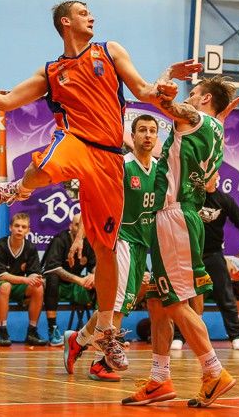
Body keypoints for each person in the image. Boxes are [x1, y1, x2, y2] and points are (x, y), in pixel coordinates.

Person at [0, 0, 201, 371]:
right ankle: (19, 189)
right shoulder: (52, 72)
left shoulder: (110, 51)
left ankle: (107, 332)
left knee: (106, 249)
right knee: (46, 164)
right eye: (83, 12)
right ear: (65, 21)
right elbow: (7, 101)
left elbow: (146, 91)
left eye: (90, 12)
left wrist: (166, 78)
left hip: (109, 157)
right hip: (76, 140)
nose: (91, 16)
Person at [122, 75, 239, 408]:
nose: (188, 98)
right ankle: (160, 378)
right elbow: (210, 177)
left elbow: (165, 104)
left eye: (193, 93)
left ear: (205, 100)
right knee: (158, 302)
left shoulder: (195, 117)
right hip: (179, 217)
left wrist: (164, 80)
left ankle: (214, 371)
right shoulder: (216, 130)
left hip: (174, 216)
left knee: (175, 303)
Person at [63, 114, 159, 382]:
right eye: (142, 130)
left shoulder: (160, 169)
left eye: (152, 131)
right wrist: (80, 237)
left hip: (142, 244)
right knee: (116, 306)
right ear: (133, 135)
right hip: (120, 239)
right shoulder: (122, 166)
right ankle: (100, 363)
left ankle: (78, 340)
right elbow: (96, 201)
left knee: (120, 305)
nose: (148, 135)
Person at [198, 172, 239, 350]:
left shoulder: (224, 200)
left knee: (225, 296)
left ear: (216, 177)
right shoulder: (191, 199)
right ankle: (179, 337)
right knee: (188, 298)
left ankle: (236, 336)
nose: (206, 178)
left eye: (209, 175)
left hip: (213, 254)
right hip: (192, 255)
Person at [0, 212, 46, 346]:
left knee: (38, 287)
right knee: (5, 286)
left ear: (28, 230)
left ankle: (32, 332)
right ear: (10, 228)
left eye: (23, 227)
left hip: (19, 287)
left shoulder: (30, 248)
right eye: (17, 226)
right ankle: (2, 331)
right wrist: (25, 280)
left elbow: (34, 273)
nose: (20, 229)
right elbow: (1, 275)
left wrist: (35, 278)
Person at [42, 213, 96, 347]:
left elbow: (94, 265)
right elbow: (53, 268)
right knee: (52, 279)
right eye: (77, 225)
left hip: (75, 286)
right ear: (70, 226)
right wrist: (79, 280)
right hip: (58, 285)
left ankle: (99, 331)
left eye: (83, 226)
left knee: (99, 281)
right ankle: (52, 330)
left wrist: (94, 275)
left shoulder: (89, 242)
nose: (80, 228)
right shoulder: (60, 240)